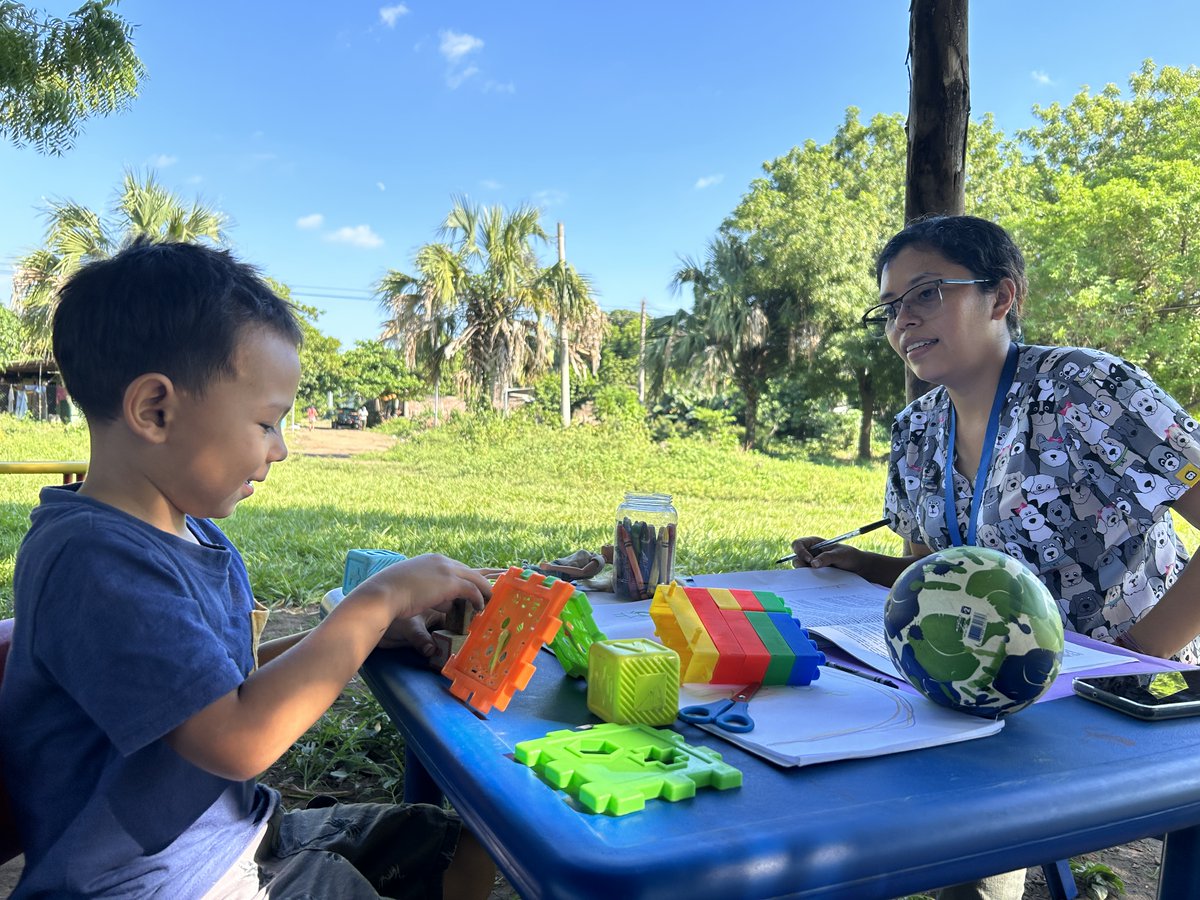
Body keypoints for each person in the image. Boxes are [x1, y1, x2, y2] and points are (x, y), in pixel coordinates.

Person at [0, 240, 497, 899]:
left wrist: (365, 640)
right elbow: (237, 736)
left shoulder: (188, 531)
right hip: (156, 886)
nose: (281, 449)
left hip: (234, 840)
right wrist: (375, 601)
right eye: (267, 422)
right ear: (155, 410)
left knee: (453, 844)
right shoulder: (94, 560)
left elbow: (219, 688)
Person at [790, 215, 1200, 900]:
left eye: (926, 293)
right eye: (891, 307)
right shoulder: (916, 430)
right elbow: (941, 576)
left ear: (1001, 296)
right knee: (880, 831)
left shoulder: (1084, 389)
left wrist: (1136, 654)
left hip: (1126, 706)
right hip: (985, 690)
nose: (903, 322)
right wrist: (862, 566)